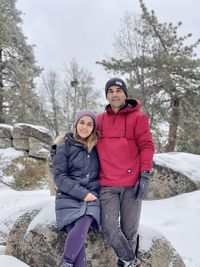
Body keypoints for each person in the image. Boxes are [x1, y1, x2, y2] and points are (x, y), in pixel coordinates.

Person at [96, 78, 155, 267]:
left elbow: (147, 146)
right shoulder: (99, 120)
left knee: (129, 231)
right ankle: (130, 260)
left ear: (125, 94)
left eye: (118, 90)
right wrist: (61, 146)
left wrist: (144, 174)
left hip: (131, 185)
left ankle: (124, 263)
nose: (114, 94)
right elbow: (82, 135)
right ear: (106, 95)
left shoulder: (139, 118)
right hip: (108, 185)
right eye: (110, 91)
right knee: (110, 227)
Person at [52, 110, 100, 267]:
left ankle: (66, 262)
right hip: (68, 196)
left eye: (89, 124)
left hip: (92, 197)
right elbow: (59, 177)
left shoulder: (97, 149)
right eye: (82, 122)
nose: (85, 127)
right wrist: (82, 193)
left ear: (93, 128)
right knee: (75, 225)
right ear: (76, 124)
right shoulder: (64, 147)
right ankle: (67, 263)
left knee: (85, 218)